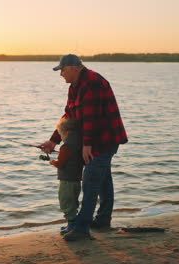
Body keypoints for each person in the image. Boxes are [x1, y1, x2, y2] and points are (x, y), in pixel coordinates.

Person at [40, 54, 128, 241]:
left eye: (62, 70)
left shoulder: (92, 83)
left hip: (105, 139)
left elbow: (91, 118)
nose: (61, 74)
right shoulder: (75, 86)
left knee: (90, 180)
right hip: (94, 139)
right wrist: (53, 140)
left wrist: (87, 146)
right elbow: (69, 115)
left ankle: (81, 228)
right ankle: (103, 221)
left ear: (74, 68)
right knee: (103, 180)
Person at [49, 118, 84, 235]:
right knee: (73, 202)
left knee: (66, 202)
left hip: (66, 181)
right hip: (76, 179)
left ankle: (71, 226)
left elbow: (61, 164)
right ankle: (73, 224)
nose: (61, 138)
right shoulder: (79, 145)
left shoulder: (66, 147)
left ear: (66, 133)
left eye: (61, 135)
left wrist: (52, 162)